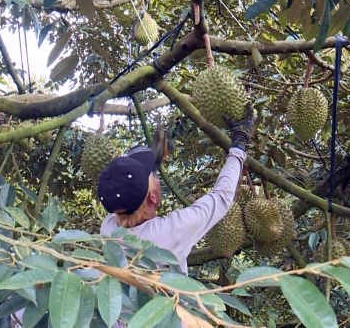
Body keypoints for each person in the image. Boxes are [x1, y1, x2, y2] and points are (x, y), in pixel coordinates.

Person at [97, 103, 256, 274]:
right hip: (172, 301)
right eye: (154, 178)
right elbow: (221, 196)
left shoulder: (108, 228)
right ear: (153, 197)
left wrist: (151, 163)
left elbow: (122, 191)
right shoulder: (173, 232)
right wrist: (239, 144)